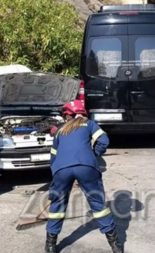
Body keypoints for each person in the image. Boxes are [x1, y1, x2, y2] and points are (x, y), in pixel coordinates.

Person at [45, 100, 122, 253]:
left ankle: (50, 246)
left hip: (61, 170)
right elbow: (104, 140)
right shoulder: (89, 124)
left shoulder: (60, 130)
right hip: (86, 168)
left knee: (57, 207)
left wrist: (57, 175)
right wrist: (94, 154)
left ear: (67, 114)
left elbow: (53, 156)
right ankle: (115, 245)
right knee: (99, 206)